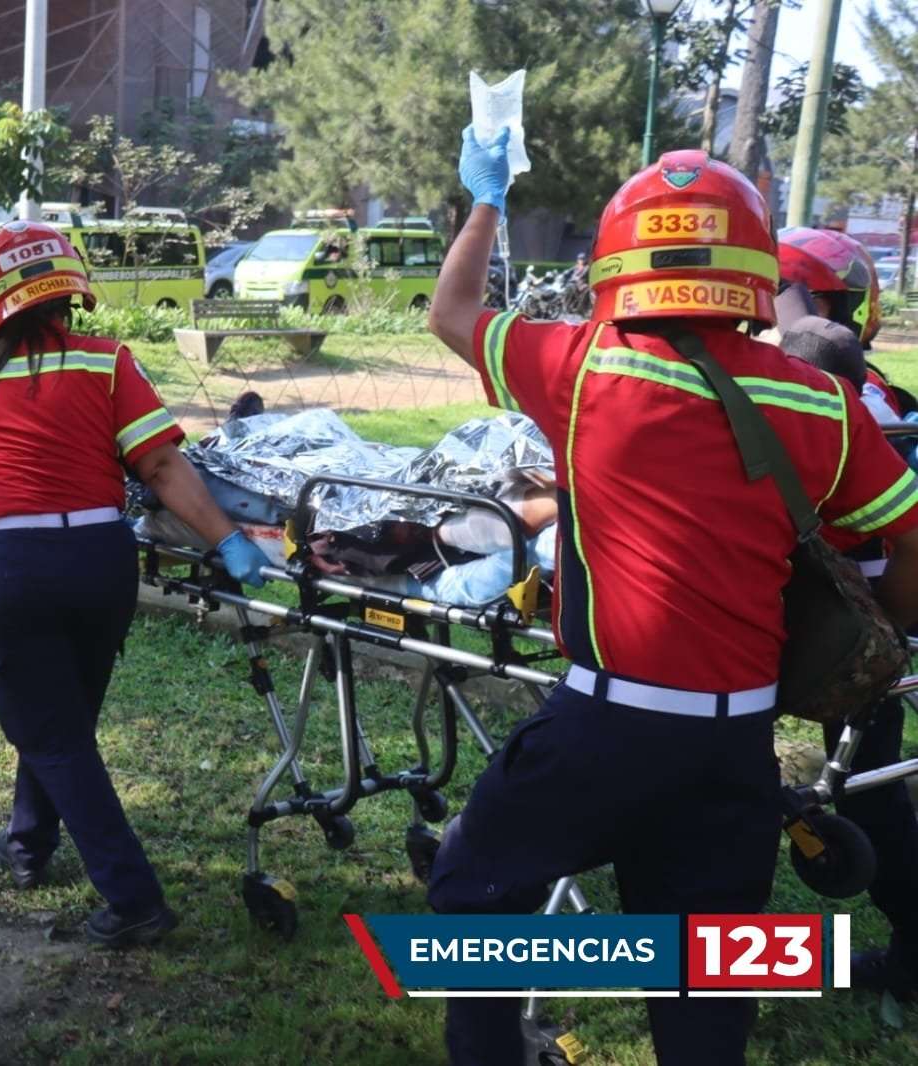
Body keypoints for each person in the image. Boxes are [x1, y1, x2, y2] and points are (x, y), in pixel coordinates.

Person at [426, 134, 918, 1065]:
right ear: (755, 271)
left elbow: (451, 312)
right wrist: (889, 619)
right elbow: (909, 538)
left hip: (603, 729)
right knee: (705, 979)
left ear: (615, 264)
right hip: (735, 748)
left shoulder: (580, 367)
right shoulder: (824, 404)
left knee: (470, 894)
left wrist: (486, 199)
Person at [0, 220, 266, 948]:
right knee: (62, 719)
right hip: (100, 562)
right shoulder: (107, 362)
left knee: (49, 730)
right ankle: (27, 842)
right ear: (70, 289)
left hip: (12, 566)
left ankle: (133, 899)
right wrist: (228, 539)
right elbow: (160, 466)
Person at [777, 240, 918, 1004]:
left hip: (819, 619)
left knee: (864, 790)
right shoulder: (879, 394)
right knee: (867, 783)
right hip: (854, 616)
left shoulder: (816, 399)